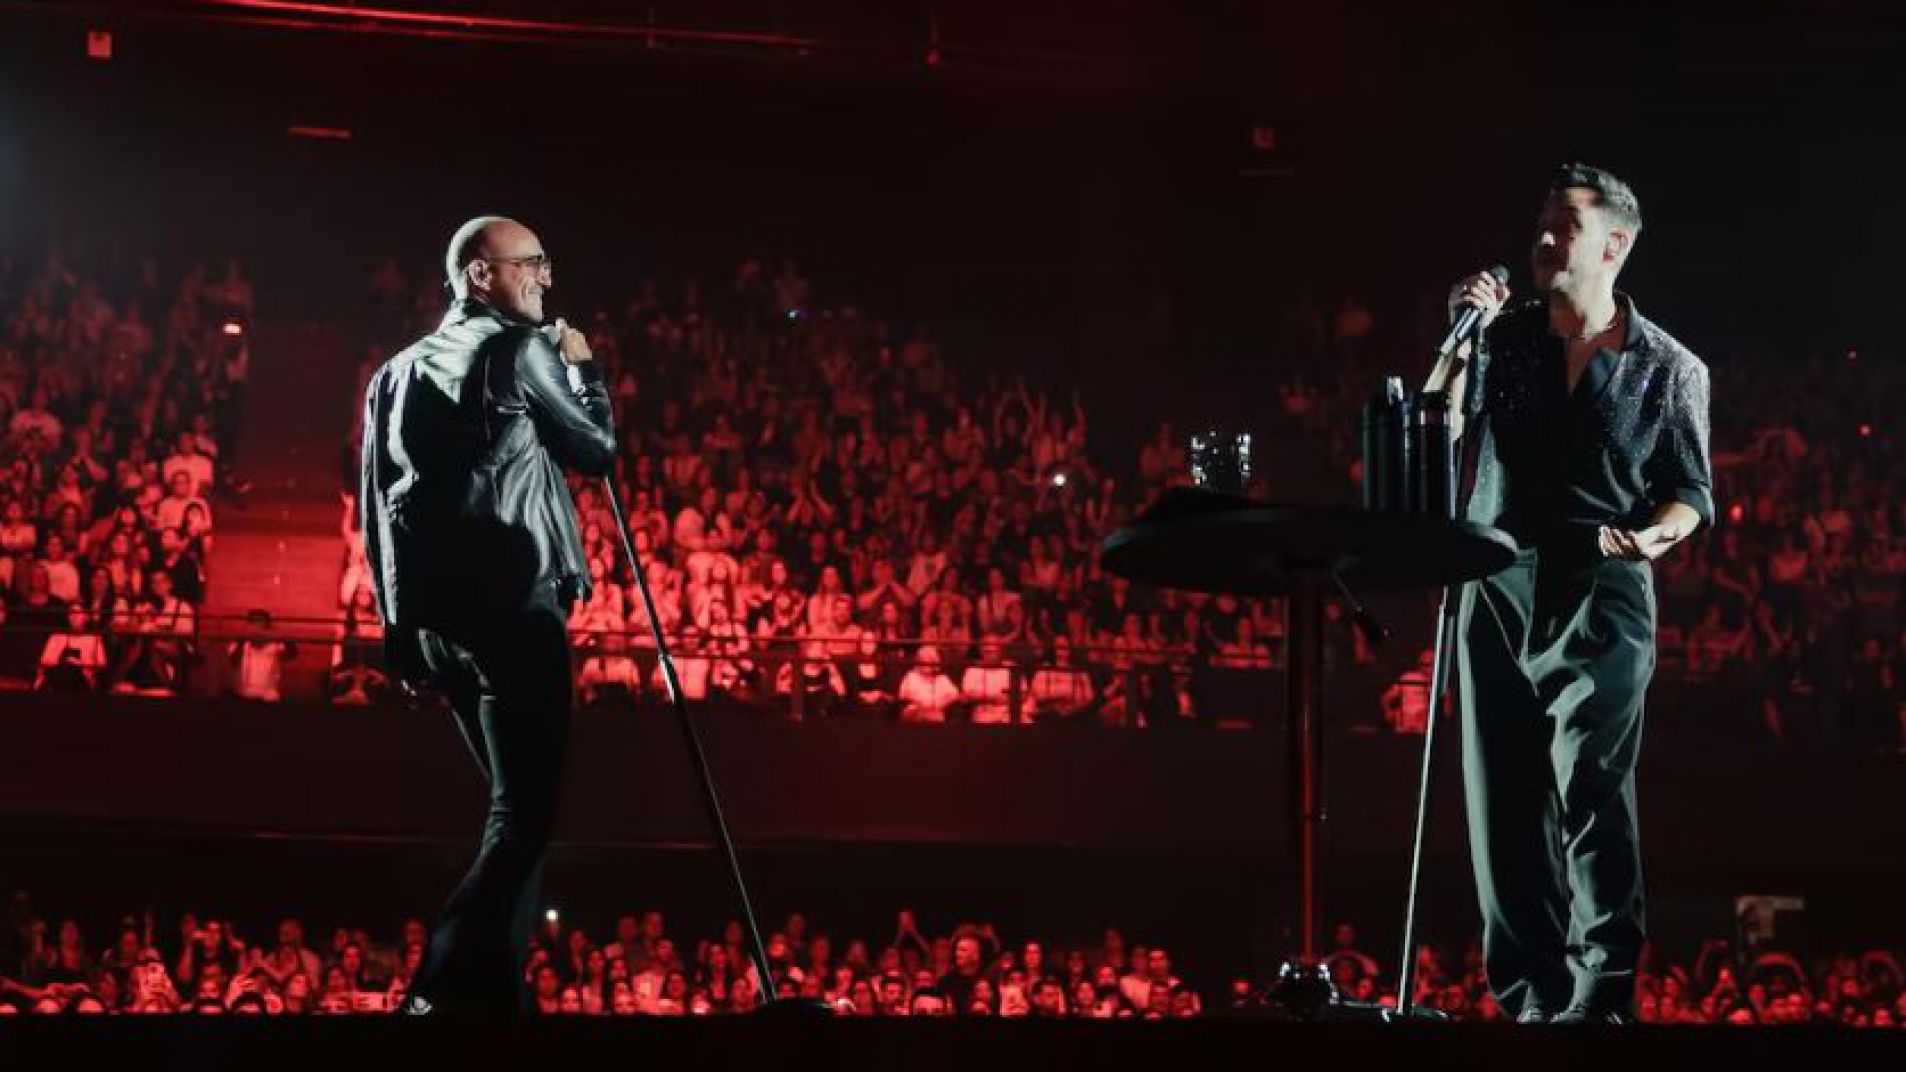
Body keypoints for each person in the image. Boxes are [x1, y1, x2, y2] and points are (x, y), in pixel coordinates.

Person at [1442, 165, 1712, 1024]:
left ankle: (1602, 992)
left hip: (1600, 586)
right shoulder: (1503, 340)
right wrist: (1461, 337)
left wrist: (1654, 538)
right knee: (1502, 800)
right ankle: (1532, 996)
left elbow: (1690, 492)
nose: (1545, 237)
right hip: (1494, 582)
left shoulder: (1668, 366)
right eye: (1541, 221)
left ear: (1614, 245)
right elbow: (1445, 423)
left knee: (1590, 785)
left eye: (1565, 223)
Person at [360, 216, 614, 1015]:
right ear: (480, 274)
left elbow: (375, 504)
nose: (546, 277)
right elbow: (596, 450)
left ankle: (497, 992)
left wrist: (399, 630)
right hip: (516, 607)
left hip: (443, 626)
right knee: (525, 813)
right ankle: (438, 990)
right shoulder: (520, 350)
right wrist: (585, 368)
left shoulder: (394, 372)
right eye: (530, 263)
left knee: (515, 810)